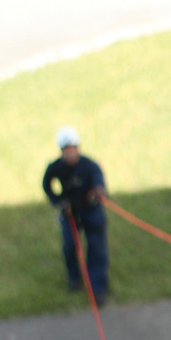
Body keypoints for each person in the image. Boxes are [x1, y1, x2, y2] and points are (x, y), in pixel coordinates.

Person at [41, 125, 110, 299]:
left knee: (96, 248)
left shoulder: (90, 166)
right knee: (69, 246)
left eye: (72, 149)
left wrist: (97, 192)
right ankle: (74, 278)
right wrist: (59, 201)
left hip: (91, 211)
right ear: (61, 151)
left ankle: (98, 288)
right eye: (66, 150)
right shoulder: (55, 168)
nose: (70, 153)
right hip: (70, 213)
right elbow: (47, 185)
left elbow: (99, 183)